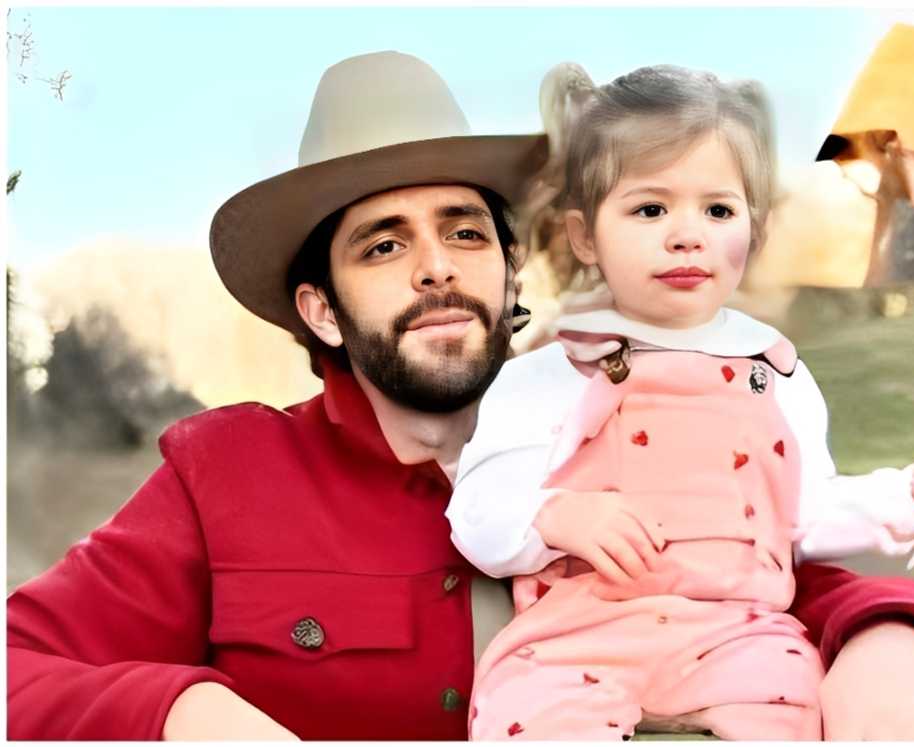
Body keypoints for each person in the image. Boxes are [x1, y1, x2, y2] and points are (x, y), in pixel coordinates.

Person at [6, 51, 548, 740]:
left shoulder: (622, 441)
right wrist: (182, 709)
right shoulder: (224, 474)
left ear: (510, 274)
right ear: (323, 312)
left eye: (465, 233)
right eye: (384, 246)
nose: (437, 266)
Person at [448, 64, 914, 740]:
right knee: (530, 710)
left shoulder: (775, 372)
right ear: (584, 236)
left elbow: (804, 515)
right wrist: (555, 515)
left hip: (739, 634)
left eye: (718, 210)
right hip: (579, 637)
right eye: (650, 209)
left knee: (791, 701)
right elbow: (477, 510)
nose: (686, 234)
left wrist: (905, 498)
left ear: (754, 230)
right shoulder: (552, 374)